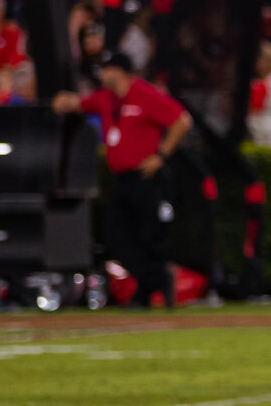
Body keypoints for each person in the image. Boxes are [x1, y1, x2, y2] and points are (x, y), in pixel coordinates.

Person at [52, 53, 191, 309]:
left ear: (119, 71)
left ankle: (146, 292)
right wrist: (64, 101)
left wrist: (160, 155)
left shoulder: (145, 94)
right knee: (117, 237)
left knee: (149, 235)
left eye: (106, 70)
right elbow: (81, 104)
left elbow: (181, 121)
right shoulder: (106, 99)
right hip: (121, 179)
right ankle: (158, 279)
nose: (102, 75)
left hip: (146, 178)